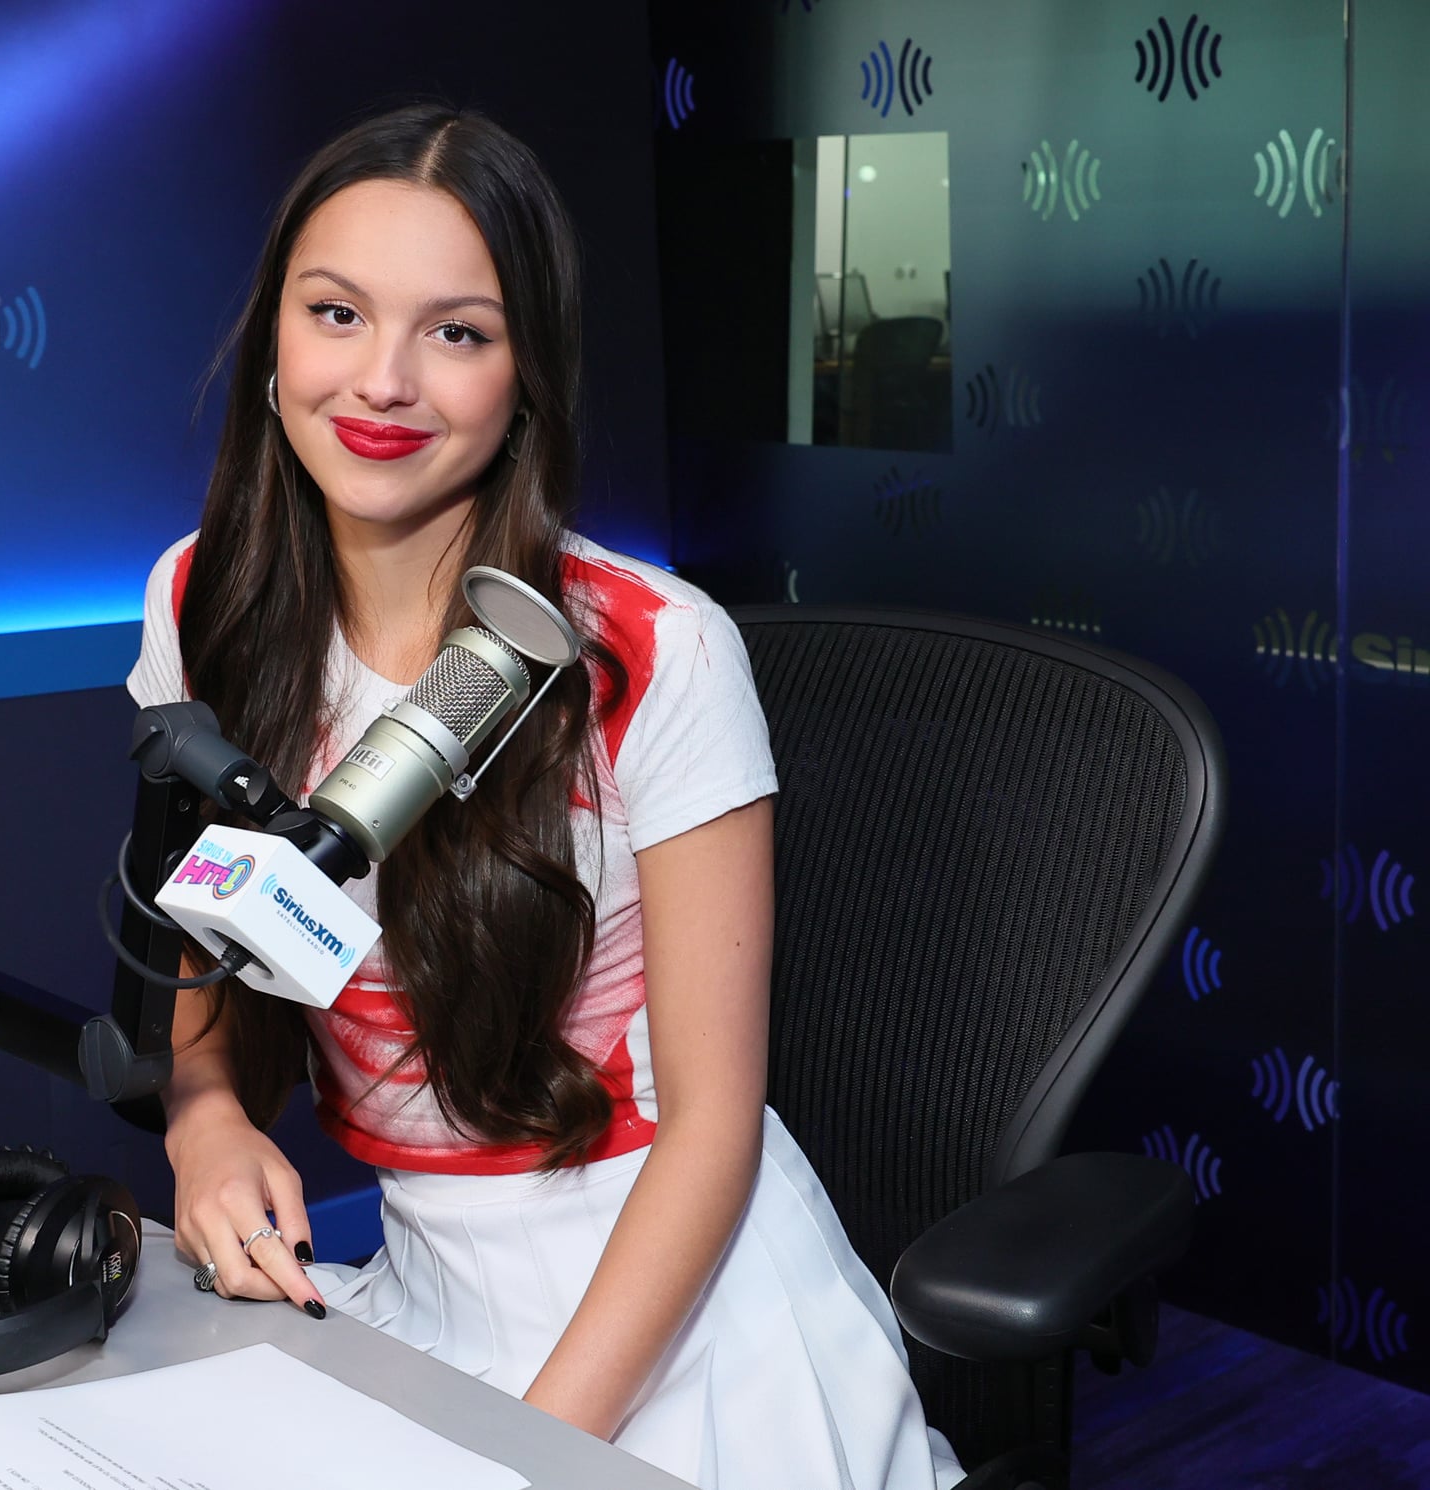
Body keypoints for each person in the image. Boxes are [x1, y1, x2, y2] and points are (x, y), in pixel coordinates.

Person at [125, 101, 960, 1490]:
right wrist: (201, 1113)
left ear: (527, 379)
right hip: (416, 1276)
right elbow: (207, 941)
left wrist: (524, 1455)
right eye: (337, 314)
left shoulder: (655, 648)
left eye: (457, 331)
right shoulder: (200, 601)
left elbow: (712, 1124)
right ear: (274, 343)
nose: (383, 380)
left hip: (674, 1307)